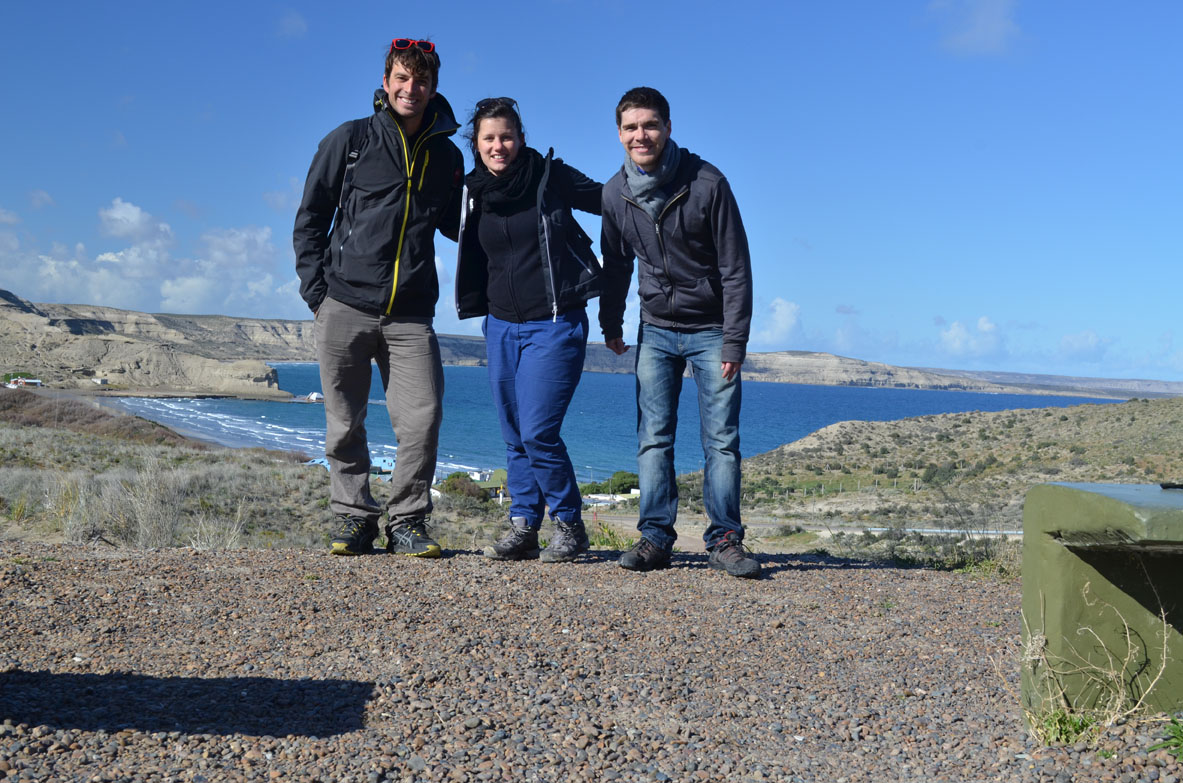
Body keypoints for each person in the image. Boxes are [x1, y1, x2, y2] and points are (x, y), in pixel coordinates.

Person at [293, 38, 464, 557]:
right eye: (402, 78)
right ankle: (354, 518)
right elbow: (311, 217)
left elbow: (460, 226)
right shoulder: (350, 140)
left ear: (433, 87)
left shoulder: (447, 155)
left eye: (421, 80)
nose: (411, 88)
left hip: (411, 313)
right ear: (386, 81)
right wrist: (318, 294)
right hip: (344, 304)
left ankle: (407, 521)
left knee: (422, 418)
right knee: (345, 422)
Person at [599, 86, 760, 578]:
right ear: (619, 133)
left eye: (650, 125)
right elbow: (615, 264)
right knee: (653, 438)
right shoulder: (615, 193)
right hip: (656, 329)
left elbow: (736, 268)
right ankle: (655, 537)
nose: (641, 135)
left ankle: (725, 539)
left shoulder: (707, 183)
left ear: (668, 128)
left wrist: (734, 340)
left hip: (711, 329)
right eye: (631, 127)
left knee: (721, 441)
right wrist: (611, 322)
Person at [455, 97, 602, 562]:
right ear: (476, 144)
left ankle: (570, 524)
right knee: (515, 433)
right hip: (499, 325)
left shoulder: (549, 176)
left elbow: (611, 202)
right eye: (489, 138)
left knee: (539, 431)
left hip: (554, 324)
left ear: (520, 138)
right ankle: (523, 526)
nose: (498, 146)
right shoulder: (472, 191)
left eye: (506, 136)